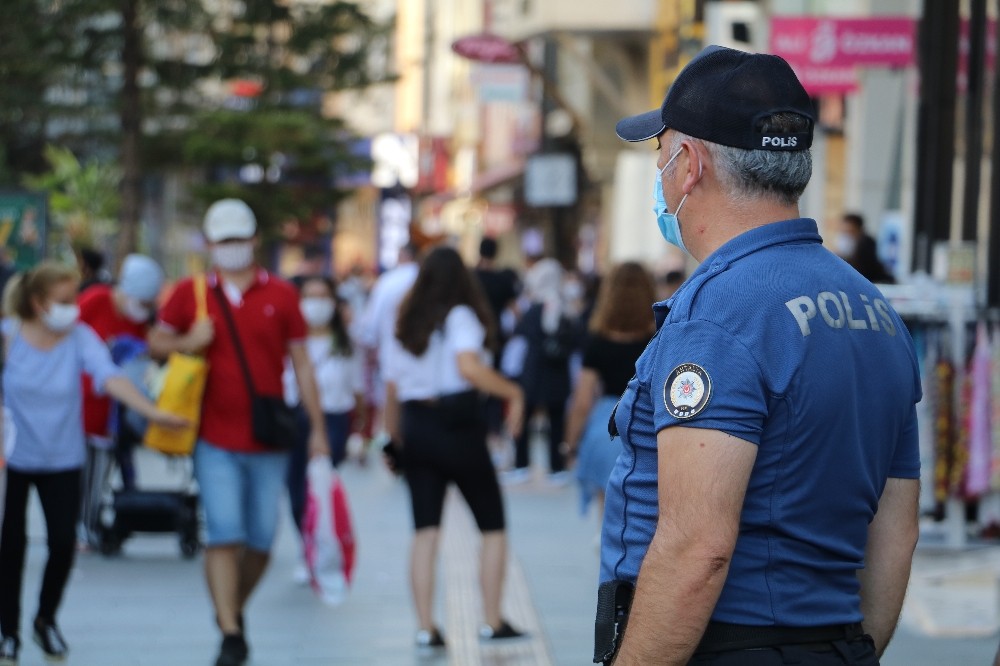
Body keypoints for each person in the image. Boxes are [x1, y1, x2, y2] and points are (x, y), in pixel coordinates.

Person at [595, 45, 921, 666]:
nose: (659, 178)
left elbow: (697, 547)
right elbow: (895, 533)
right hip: (837, 644)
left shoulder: (718, 314)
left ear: (688, 165)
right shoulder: (874, 310)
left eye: (659, 156)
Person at [149, 199, 328, 666]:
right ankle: (231, 632)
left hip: (269, 436)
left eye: (238, 239)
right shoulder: (192, 293)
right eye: (222, 241)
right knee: (224, 533)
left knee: (263, 542)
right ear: (210, 245)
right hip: (212, 436)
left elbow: (303, 364)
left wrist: (319, 431)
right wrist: (189, 341)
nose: (230, 248)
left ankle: (231, 611)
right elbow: (157, 341)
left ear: (254, 241)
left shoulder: (282, 295)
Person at [0, 262, 185, 665]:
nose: (74, 309)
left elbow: (109, 375)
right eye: (65, 301)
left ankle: (45, 619)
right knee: (10, 545)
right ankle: (8, 631)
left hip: (64, 458)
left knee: (63, 543)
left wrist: (152, 413)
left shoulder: (79, 338)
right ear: (37, 302)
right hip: (13, 459)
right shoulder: (9, 337)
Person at [382, 246, 526, 651]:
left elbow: (391, 389)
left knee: (425, 530)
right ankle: (492, 620)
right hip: (457, 427)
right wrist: (513, 391)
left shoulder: (405, 320)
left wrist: (391, 439)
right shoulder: (461, 315)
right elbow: (468, 366)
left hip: (416, 427)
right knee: (492, 525)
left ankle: (426, 628)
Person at [282, 275, 365, 586]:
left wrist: (359, 428)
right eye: (309, 296)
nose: (316, 304)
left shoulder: (345, 341)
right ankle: (307, 549)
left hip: (334, 420)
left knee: (319, 487)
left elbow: (357, 386)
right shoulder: (289, 340)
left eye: (322, 296)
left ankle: (320, 546)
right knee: (296, 491)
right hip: (294, 418)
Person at [77, 253, 164, 547]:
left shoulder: (138, 322)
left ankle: (87, 526)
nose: (142, 309)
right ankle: (75, 526)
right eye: (140, 302)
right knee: (75, 473)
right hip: (78, 405)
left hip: (111, 413)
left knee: (97, 473)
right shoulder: (96, 300)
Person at [564, 262, 656, 521]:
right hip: (648, 424)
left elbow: (582, 401)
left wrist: (569, 444)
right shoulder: (659, 336)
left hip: (607, 427)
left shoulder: (597, 342)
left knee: (608, 518)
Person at [505, 258, 578, 485]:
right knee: (556, 421)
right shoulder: (567, 308)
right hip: (558, 374)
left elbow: (519, 335)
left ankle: (521, 464)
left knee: (523, 417)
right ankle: (557, 467)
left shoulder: (534, 309)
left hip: (533, 372)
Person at [357, 243, 419, 436]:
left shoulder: (388, 282)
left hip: (391, 361)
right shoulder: (426, 280)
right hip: (420, 363)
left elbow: (370, 327)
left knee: (392, 415)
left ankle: (393, 453)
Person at [834, 212, 894, 284]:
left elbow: (861, 269)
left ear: (859, 229)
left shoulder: (866, 243)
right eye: (844, 232)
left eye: (850, 231)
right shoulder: (850, 246)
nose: (847, 235)